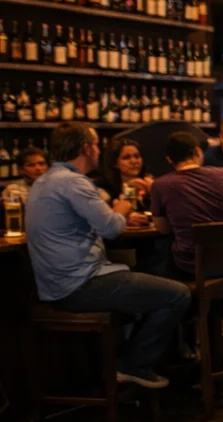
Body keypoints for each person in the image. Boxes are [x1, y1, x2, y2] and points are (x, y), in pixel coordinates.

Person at [25, 123, 191, 388]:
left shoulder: (46, 180)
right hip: (79, 285)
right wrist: (122, 208)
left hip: (57, 285)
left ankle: (131, 361)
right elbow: (112, 228)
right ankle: (132, 363)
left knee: (149, 280)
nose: (99, 151)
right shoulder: (74, 182)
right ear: (86, 148)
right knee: (177, 294)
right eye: (96, 145)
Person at [149, 131, 223, 279]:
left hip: (191, 267)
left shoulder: (160, 185)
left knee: (155, 259)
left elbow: (163, 228)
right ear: (197, 151)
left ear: (169, 159)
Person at [95, 136, 154, 208]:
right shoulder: (105, 187)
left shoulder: (149, 181)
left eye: (137, 156)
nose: (134, 161)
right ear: (115, 163)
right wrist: (129, 189)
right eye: (126, 157)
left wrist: (154, 191)